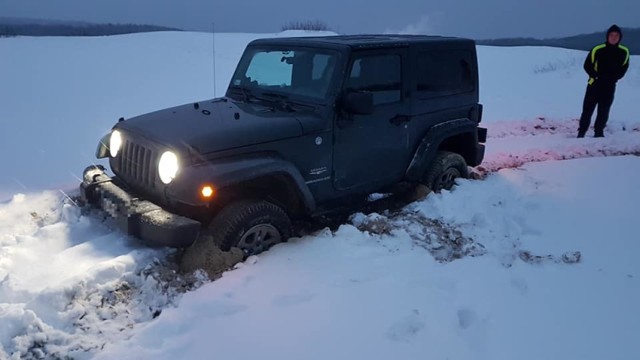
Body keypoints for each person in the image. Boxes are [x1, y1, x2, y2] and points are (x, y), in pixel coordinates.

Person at [577, 25, 630, 138]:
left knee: (604, 110)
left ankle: (599, 132)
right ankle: (581, 132)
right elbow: (587, 65)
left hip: (610, 86)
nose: (614, 37)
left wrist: (614, 78)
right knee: (587, 110)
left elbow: (624, 68)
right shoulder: (598, 49)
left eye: (616, 35)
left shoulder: (624, 51)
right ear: (607, 36)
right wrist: (595, 76)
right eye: (611, 35)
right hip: (594, 85)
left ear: (620, 37)